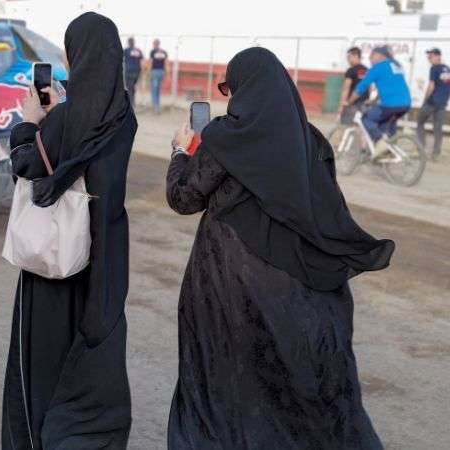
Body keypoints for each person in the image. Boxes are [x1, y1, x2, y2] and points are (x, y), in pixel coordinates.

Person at [166, 47, 393, 449]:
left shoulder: (225, 137)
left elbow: (184, 199)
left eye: (229, 87)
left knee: (226, 378)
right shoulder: (313, 143)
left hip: (226, 286)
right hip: (292, 290)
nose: (228, 96)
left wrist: (181, 152)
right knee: (283, 384)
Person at [2, 12, 136, 449]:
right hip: (105, 254)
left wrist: (29, 121)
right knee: (90, 346)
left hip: (57, 255)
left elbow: (27, 165)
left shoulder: (67, 117)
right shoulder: (123, 114)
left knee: (44, 357)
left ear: (75, 54)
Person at [348, 46, 411, 158]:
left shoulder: (377, 67)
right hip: (405, 104)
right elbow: (389, 86)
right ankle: (390, 150)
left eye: (372, 56)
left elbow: (361, 87)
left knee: (366, 119)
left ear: (380, 56)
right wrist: (373, 100)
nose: (370, 59)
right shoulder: (396, 65)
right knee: (385, 124)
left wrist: (349, 101)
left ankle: (381, 145)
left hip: (391, 104)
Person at [416, 47, 449, 160]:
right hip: (442, 103)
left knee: (420, 121)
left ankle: (420, 149)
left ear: (438, 56)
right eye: (428, 57)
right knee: (438, 128)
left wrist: (424, 100)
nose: (429, 59)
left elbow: (431, 86)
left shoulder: (434, 68)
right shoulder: (447, 69)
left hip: (432, 101)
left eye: (431, 56)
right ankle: (435, 153)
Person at [338, 46, 368, 124]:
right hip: (364, 103)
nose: (347, 59)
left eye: (349, 57)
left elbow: (346, 89)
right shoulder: (366, 69)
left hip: (352, 103)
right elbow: (370, 86)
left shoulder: (351, 70)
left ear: (356, 56)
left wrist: (342, 104)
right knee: (362, 126)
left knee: (345, 125)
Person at [149, 39, 168, 114]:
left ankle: (155, 107)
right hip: (161, 72)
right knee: (158, 90)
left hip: (154, 71)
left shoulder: (153, 52)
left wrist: (149, 72)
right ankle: (157, 106)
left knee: (154, 90)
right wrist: (167, 73)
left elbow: (151, 62)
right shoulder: (164, 52)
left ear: (154, 44)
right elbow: (166, 63)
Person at [123, 36, 143, 108]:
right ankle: (132, 102)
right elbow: (141, 61)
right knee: (132, 86)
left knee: (130, 87)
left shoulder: (126, 50)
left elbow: (120, 58)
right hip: (137, 71)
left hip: (129, 71)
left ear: (128, 43)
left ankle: (131, 103)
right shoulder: (138, 50)